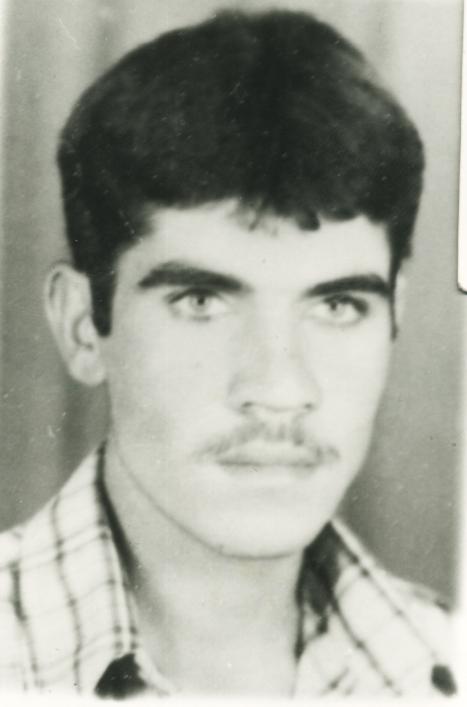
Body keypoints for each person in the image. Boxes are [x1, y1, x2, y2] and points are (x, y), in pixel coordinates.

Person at [0, 8, 457, 698]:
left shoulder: (443, 666)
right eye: (201, 302)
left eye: (337, 306)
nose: (279, 388)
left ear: (395, 315)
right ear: (82, 325)